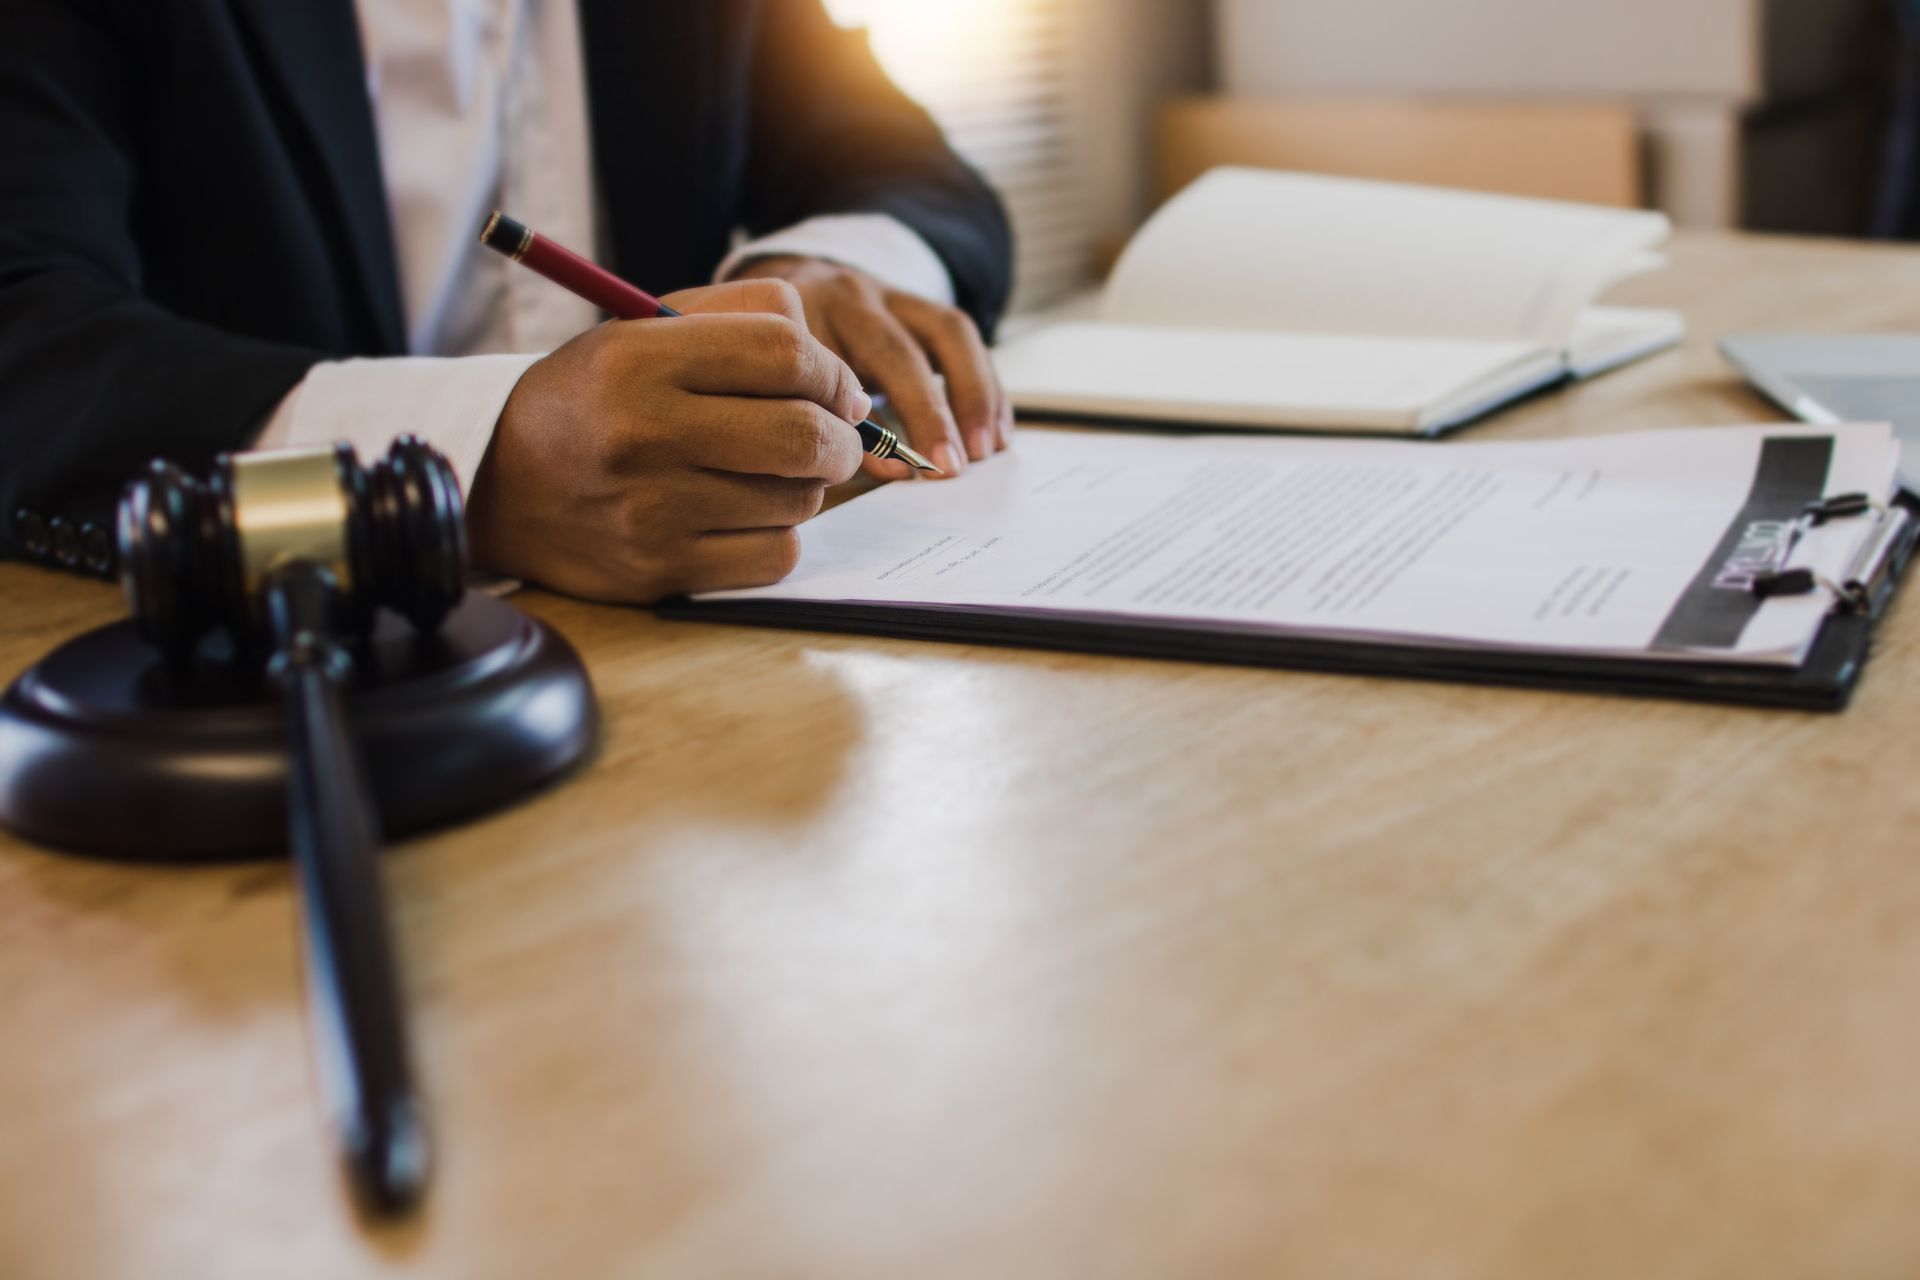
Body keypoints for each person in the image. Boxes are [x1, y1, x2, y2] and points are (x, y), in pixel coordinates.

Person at [0, 0, 1014, 602]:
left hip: (683, 693)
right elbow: (27, 335)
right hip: (280, 691)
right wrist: (465, 475)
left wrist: (819, 269)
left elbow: (909, 168)